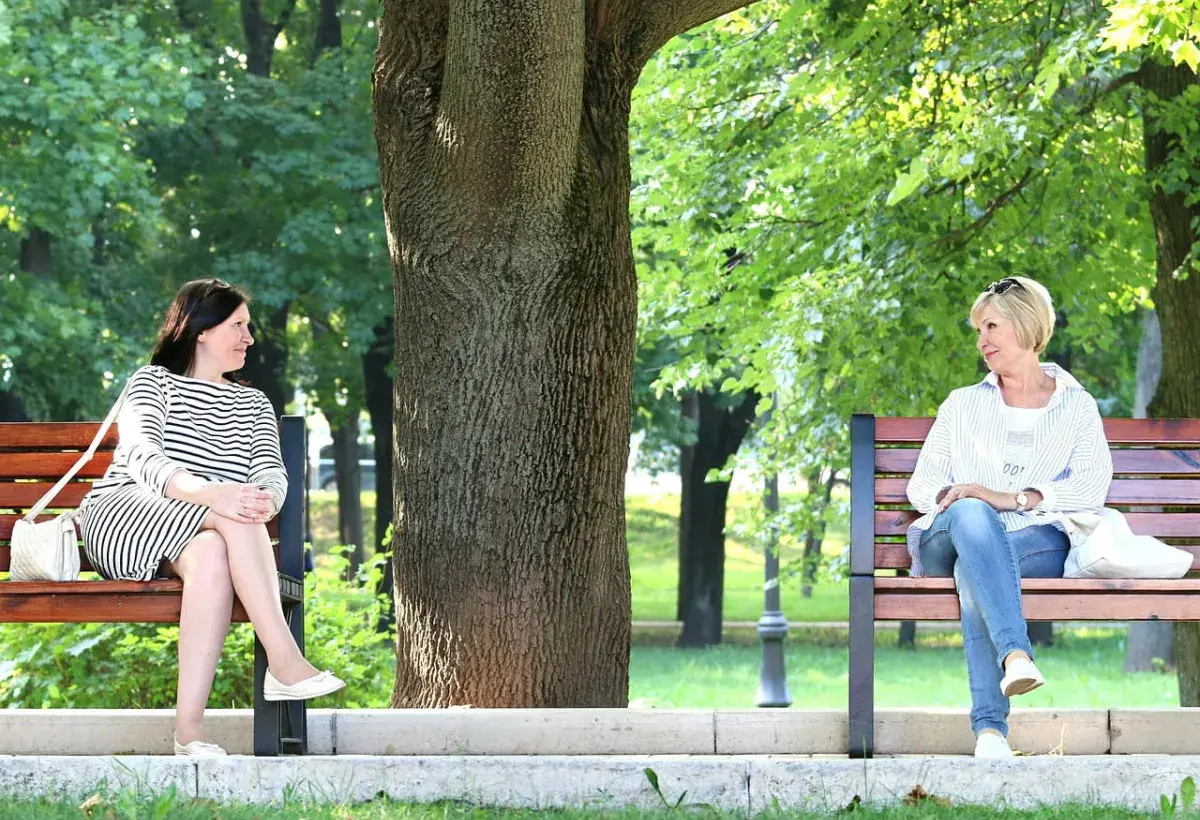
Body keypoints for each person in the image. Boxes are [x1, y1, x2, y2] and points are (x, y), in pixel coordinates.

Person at [78, 278, 344, 756]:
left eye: (249, 327)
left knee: (215, 549)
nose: (250, 337)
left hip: (205, 530)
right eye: (238, 325)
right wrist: (213, 495)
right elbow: (142, 457)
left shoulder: (252, 403)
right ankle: (284, 662)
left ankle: (190, 730)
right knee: (231, 519)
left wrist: (263, 500)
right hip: (126, 514)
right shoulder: (152, 382)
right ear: (201, 330)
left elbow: (269, 472)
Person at [905, 276, 1112, 759]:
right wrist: (966, 500)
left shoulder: (1076, 406)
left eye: (991, 326)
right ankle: (1015, 654)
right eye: (979, 330)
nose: (982, 341)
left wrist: (1012, 498)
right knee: (973, 521)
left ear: (1026, 326)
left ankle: (990, 734)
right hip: (949, 536)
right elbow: (921, 483)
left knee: (975, 567)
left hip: (1035, 539)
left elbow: (1091, 487)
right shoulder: (963, 404)